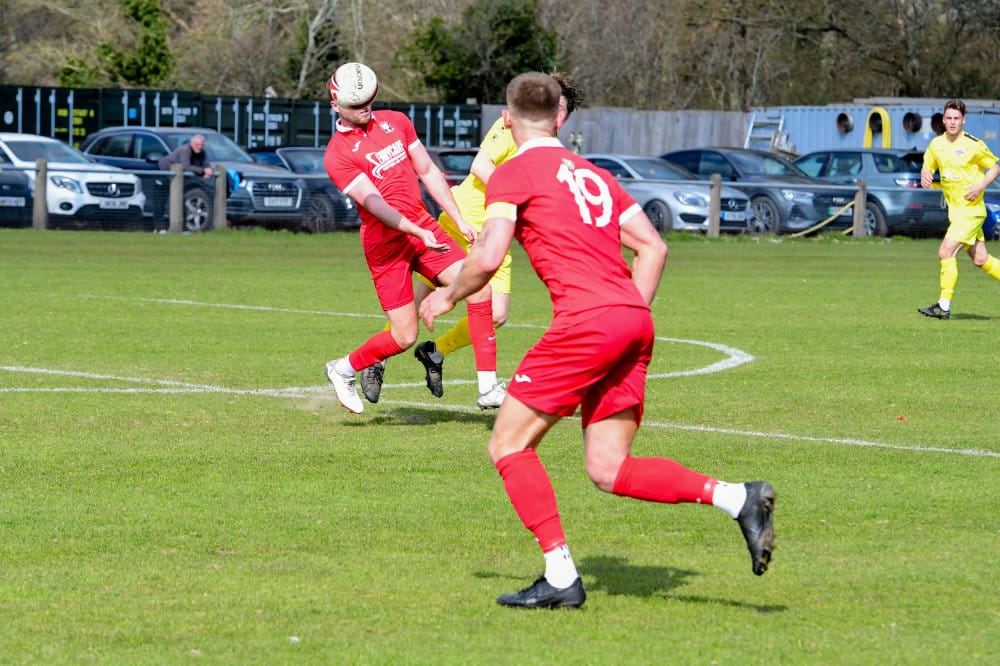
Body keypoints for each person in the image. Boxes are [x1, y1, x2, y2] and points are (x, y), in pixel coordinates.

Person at [419, 72, 777, 609]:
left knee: (508, 445)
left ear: (507, 120)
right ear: (559, 118)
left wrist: (446, 296)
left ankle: (561, 575)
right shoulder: (595, 174)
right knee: (608, 469)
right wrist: (625, 317)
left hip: (586, 323)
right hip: (632, 319)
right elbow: (653, 248)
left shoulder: (511, 173)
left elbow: (489, 256)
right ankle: (738, 499)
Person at [361, 72, 584, 407]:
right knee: (419, 305)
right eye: (553, 104)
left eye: (562, 108)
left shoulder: (551, 150)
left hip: (497, 234)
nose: (556, 112)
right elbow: (480, 166)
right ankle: (376, 361)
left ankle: (434, 352)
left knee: (497, 314)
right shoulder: (512, 125)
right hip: (463, 223)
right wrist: (517, 191)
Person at [322, 62, 501, 414]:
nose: (365, 109)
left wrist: (459, 219)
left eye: (369, 101)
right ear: (335, 106)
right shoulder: (337, 154)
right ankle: (343, 369)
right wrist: (416, 231)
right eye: (356, 105)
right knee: (404, 336)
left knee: (480, 286)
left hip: (423, 227)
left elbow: (429, 171)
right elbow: (375, 204)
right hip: (386, 245)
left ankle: (488, 388)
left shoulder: (397, 122)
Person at [918, 100, 1000, 319]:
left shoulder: (973, 144)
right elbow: (928, 165)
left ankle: (943, 306)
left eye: (956, 118)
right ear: (943, 120)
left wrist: (980, 185)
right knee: (981, 259)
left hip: (971, 211)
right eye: (949, 118)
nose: (953, 122)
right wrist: (925, 174)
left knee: (945, 252)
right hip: (957, 214)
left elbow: (995, 167)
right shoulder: (936, 144)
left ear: (963, 120)